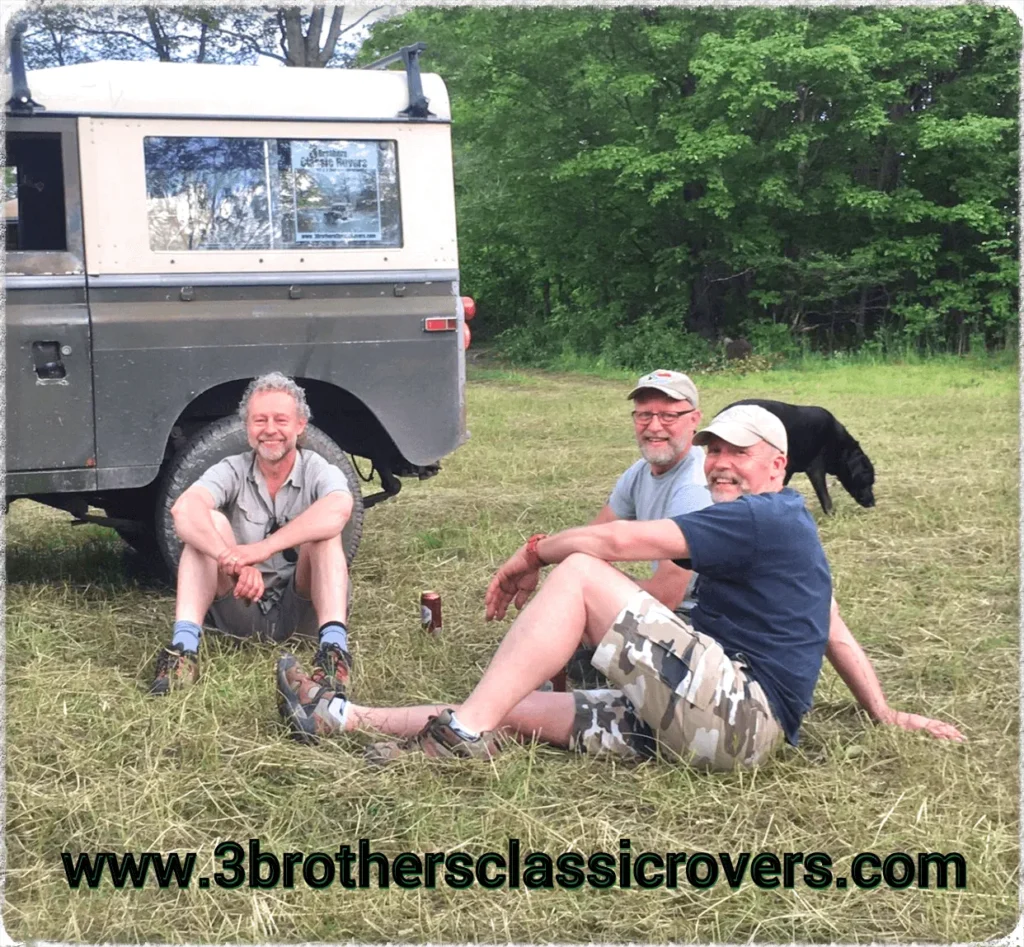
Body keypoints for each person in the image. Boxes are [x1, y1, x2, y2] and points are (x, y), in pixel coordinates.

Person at [276, 404, 962, 766]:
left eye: (737, 453)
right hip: (700, 718)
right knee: (513, 706)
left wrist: (532, 553)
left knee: (581, 573)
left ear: (777, 464)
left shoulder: (763, 517)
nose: (719, 464)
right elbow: (832, 625)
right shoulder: (783, 524)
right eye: (714, 451)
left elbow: (612, 544)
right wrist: (883, 710)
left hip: (738, 719)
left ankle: (459, 733)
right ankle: (340, 715)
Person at [575, 370, 963, 742]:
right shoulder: (650, 474)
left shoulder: (723, 502)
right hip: (719, 676)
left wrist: (570, 583)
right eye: (644, 414)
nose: (654, 425)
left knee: (578, 608)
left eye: (667, 415)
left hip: (720, 674)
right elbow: (597, 536)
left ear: (693, 420)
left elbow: (659, 590)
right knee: (573, 612)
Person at [150, 372, 355, 696]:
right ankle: (183, 652)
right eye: (259, 420)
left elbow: (340, 509)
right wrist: (233, 562)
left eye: (280, 419)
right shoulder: (232, 468)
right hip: (241, 605)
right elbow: (183, 511)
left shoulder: (317, 467)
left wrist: (260, 550)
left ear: (300, 425)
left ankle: (333, 654)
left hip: (301, 609)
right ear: (247, 428)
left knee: (325, 536)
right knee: (209, 526)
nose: (270, 430)